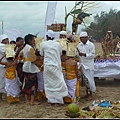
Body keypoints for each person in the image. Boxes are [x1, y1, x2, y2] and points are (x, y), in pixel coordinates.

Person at [40, 30, 68, 106]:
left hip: (47, 66)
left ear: (46, 36)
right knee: (58, 83)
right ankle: (57, 101)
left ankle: (50, 100)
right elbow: (60, 54)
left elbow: (41, 54)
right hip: (56, 66)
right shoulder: (58, 44)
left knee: (49, 83)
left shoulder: (43, 44)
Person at [21, 34, 40, 105]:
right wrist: (39, 64)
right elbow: (33, 60)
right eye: (33, 40)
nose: (34, 41)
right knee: (33, 84)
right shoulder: (31, 48)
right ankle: (32, 101)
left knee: (26, 84)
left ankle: (27, 100)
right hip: (31, 68)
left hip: (25, 66)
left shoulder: (25, 47)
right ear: (29, 41)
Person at [77, 31, 96, 101]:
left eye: (84, 38)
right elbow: (77, 54)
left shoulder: (91, 45)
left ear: (87, 38)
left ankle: (90, 94)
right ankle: (87, 93)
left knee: (90, 80)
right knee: (85, 81)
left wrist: (85, 55)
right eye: (81, 38)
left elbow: (93, 55)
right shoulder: (79, 45)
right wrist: (79, 54)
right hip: (82, 65)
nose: (82, 40)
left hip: (88, 65)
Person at [0, 34, 9, 101]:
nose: (8, 40)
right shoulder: (2, 46)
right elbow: (8, 52)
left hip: (5, 66)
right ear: (3, 40)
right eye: (6, 39)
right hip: (2, 66)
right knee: (2, 81)